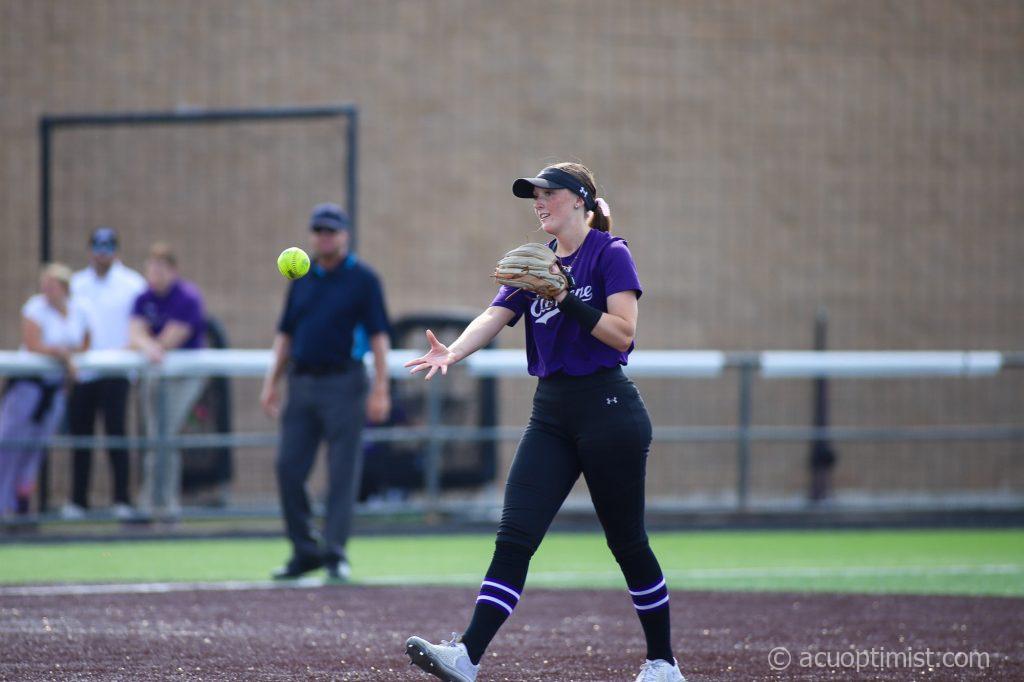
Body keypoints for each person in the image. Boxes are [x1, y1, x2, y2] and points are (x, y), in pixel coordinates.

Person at [404, 163, 686, 682]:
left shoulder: (610, 253)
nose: (538, 202)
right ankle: (467, 656)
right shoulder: (538, 261)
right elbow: (494, 315)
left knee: (627, 543)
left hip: (608, 410)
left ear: (579, 199)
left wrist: (563, 297)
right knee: (514, 536)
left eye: (548, 193)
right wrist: (454, 351)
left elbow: (623, 334)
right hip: (551, 414)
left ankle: (663, 664)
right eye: (534, 195)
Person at [260, 203, 391, 581]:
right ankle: (305, 550)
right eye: (318, 231)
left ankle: (334, 552)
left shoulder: (363, 279)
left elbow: (379, 336)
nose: (324, 237)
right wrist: (271, 383)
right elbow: (286, 334)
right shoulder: (301, 277)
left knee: (341, 472)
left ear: (344, 235)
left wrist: (381, 389)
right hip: (301, 382)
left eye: (331, 231)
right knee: (287, 467)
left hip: (345, 382)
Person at [63, 227, 146, 520]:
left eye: (108, 248)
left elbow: (139, 325)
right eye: (97, 248)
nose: (102, 254)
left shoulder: (132, 283)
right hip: (84, 371)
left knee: (116, 434)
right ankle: (78, 501)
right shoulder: (76, 284)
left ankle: (122, 499)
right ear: (90, 251)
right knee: (81, 436)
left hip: (117, 370)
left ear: (116, 251)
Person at [0, 263, 90, 521]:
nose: (47, 290)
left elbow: (85, 342)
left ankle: (22, 507)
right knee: (8, 446)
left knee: (35, 450)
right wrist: (62, 354)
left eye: (52, 285)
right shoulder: (35, 308)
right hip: (28, 388)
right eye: (45, 285)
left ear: (64, 288)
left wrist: (70, 358)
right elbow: (33, 344)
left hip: (55, 391)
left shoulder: (77, 310)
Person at [129, 242, 206, 523]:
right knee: (155, 438)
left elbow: (172, 338)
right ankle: (150, 503)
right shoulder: (143, 298)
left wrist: (150, 346)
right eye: (151, 269)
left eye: (161, 269)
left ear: (173, 271)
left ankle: (165, 505)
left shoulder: (187, 297)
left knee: (166, 435)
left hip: (183, 377)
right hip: (156, 374)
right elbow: (135, 333)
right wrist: (147, 346)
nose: (155, 275)